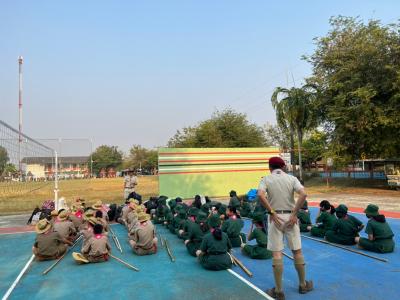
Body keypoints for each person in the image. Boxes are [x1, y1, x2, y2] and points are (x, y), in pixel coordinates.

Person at [257, 156, 313, 299]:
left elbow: (260, 195)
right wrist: (294, 213)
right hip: (291, 218)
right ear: (283, 167)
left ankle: (279, 291)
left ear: (270, 167)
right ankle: (302, 285)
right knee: (297, 251)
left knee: (277, 254)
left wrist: (272, 211)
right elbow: (304, 194)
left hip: (275, 218)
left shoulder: (266, 179)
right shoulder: (292, 179)